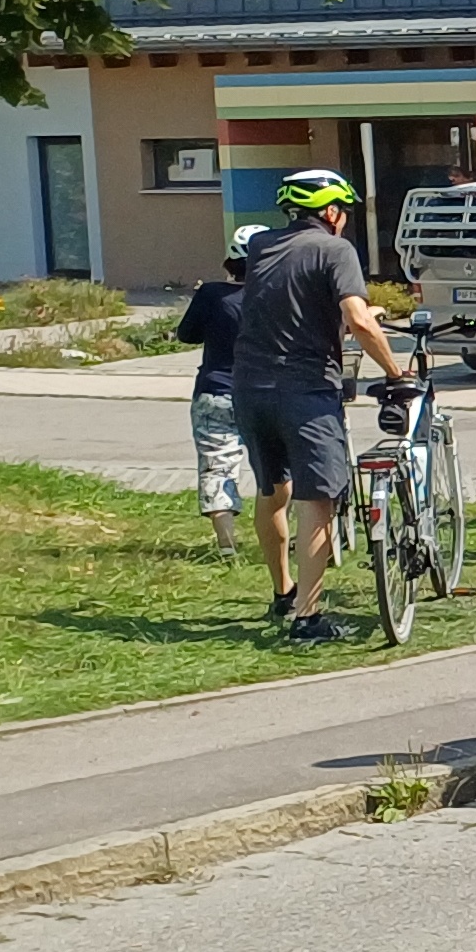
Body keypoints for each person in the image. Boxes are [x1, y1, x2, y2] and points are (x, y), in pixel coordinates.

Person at [230, 171, 406, 642]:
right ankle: (307, 618)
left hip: (249, 385)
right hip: (304, 389)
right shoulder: (335, 249)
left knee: (273, 488)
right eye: (342, 211)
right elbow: (358, 320)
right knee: (318, 499)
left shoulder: (261, 246)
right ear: (330, 212)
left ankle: (282, 591)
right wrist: (395, 372)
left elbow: (290, 303)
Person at [175, 224, 256, 560]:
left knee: (217, 467)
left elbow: (186, 334)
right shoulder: (278, 295)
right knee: (279, 469)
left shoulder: (211, 294)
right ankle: (289, 536)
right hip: (265, 393)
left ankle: (226, 546)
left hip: (216, 390)